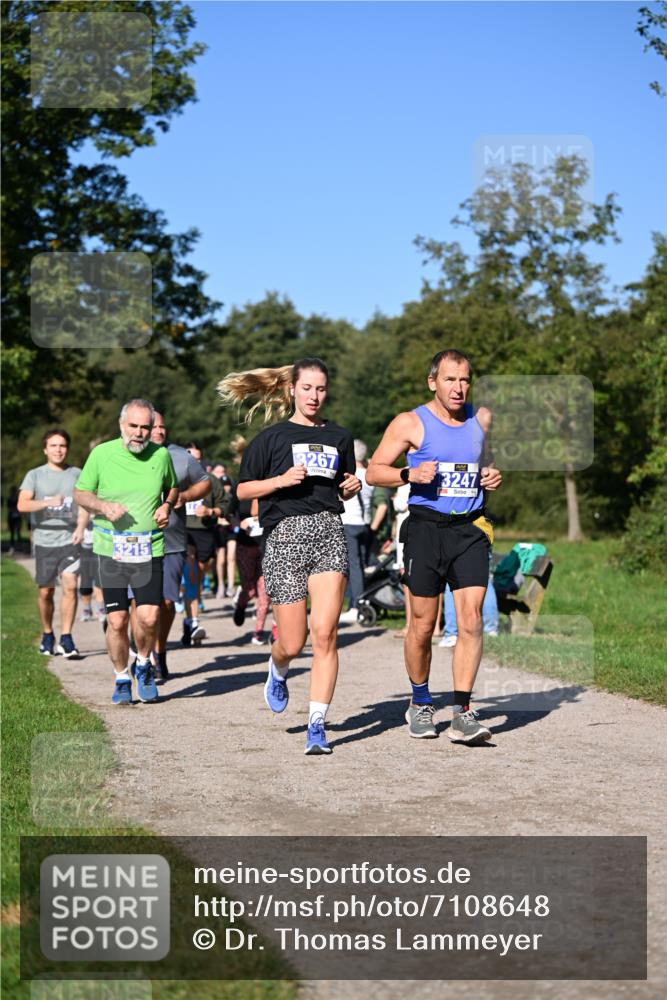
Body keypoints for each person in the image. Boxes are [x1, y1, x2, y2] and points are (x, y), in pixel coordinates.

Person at [218, 357, 361, 755]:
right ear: (292, 390)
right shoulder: (271, 439)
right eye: (308, 388)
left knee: (325, 634)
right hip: (284, 537)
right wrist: (280, 481)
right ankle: (277, 667)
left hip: (329, 532)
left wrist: (351, 486)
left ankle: (317, 725)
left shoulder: (339, 437)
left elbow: (344, 486)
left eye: (321, 389)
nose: (315, 396)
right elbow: (242, 492)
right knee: (293, 642)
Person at [367, 349, 502, 744]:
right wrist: (409, 473)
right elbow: (375, 470)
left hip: (469, 530)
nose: (458, 388)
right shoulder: (410, 422)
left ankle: (462, 710)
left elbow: (485, 462)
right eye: (450, 380)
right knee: (423, 625)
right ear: (433, 382)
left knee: (472, 619)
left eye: (464, 380)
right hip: (425, 530)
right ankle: (421, 701)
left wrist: (492, 475)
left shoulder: (481, 419)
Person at [74, 399, 178, 705]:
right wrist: (103, 506)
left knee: (149, 616)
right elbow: (80, 492)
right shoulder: (102, 454)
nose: (139, 433)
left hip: (150, 546)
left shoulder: (161, 455)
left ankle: (144, 664)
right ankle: (121, 677)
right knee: (117, 620)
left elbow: (172, 487)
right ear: (122, 425)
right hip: (111, 548)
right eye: (133, 426)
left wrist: (167, 505)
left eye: (145, 427)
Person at [148, 413, 209, 678]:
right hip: (135, 542)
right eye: (154, 426)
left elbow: (205, 482)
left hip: (172, 541)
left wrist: (184, 495)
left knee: (167, 603)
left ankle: (159, 652)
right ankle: (144, 654)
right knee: (142, 607)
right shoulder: (126, 455)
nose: (159, 430)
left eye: (163, 425)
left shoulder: (180, 456)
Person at [18, 429, 88, 656]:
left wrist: (80, 527)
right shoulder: (35, 475)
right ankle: (48, 633)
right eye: (54, 446)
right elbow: (23, 505)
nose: (59, 450)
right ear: (45, 449)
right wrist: (47, 503)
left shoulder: (77, 474)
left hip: (70, 539)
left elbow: (86, 504)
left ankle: (66, 637)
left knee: (70, 586)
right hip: (44, 540)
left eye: (63, 446)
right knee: (46, 592)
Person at [183, 441, 224, 632]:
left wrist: (210, 511)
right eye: (192, 459)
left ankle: (189, 614)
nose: (195, 463)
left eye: (198, 460)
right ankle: (193, 622)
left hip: (205, 532)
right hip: (184, 531)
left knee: (198, 574)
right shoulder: (176, 478)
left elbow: (225, 506)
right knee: (191, 573)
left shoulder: (211, 481)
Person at [339, 439, 375, 623]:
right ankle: (363, 600)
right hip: (364, 524)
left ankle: (357, 605)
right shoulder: (369, 475)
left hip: (349, 522)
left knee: (352, 567)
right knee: (360, 566)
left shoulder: (349, 475)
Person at [7, 486, 23, 551]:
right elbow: (9, 508)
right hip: (12, 516)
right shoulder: (9, 499)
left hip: (17, 516)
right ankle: (12, 545)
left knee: (18, 531)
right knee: (12, 532)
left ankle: (19, 545)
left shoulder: (18, 499)